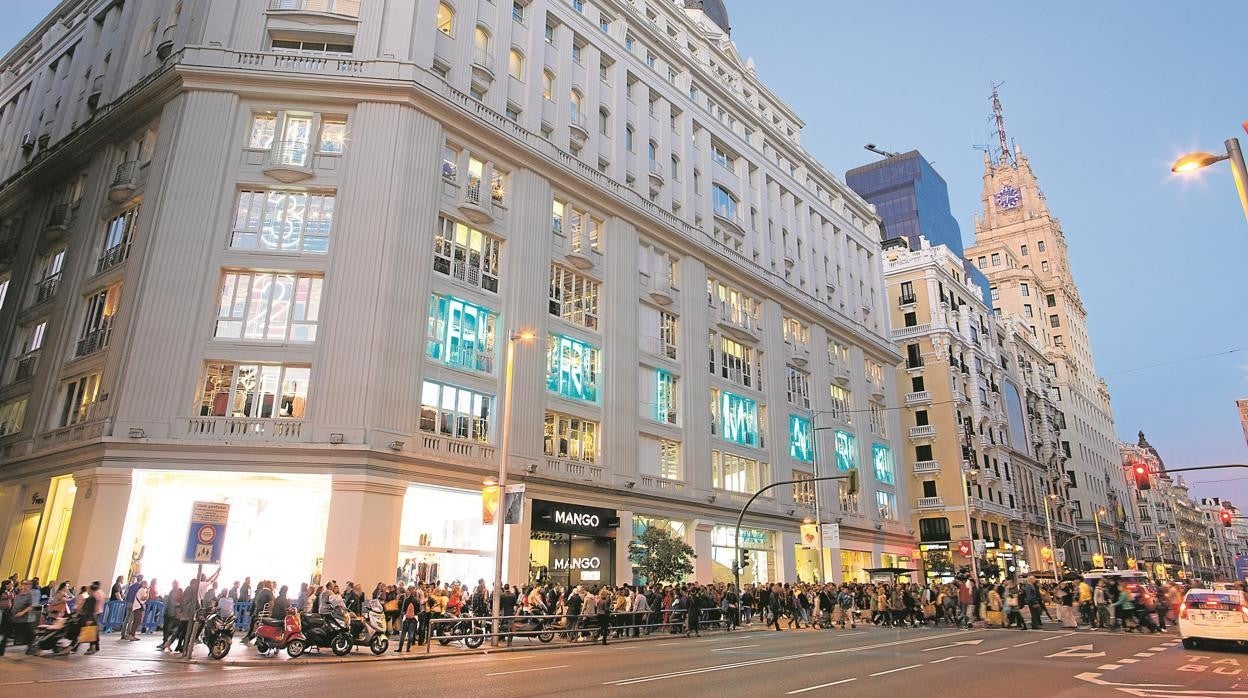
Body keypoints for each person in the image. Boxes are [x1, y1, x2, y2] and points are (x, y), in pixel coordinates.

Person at [157, 581, 181, 650]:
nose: (174, 585)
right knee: (166, 629)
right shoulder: (171, 592)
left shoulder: (178, 593)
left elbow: (177, 603)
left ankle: (166, 643)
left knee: (169, 629)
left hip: (173, 614)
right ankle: (165, 642)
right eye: (173, 584)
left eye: (175, 584)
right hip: (168, 613)